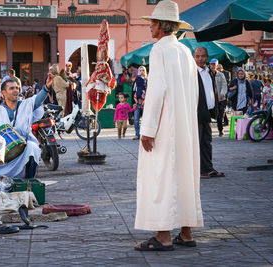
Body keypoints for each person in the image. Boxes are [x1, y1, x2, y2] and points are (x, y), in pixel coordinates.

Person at [135, 0, 203, 251]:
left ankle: (163, 235)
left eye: (152, 22)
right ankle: (186, 233)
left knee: (161, 176)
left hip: (165, 124)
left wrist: (148, 129)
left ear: (161, 26)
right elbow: (194, 92)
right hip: (184, 124)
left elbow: (155, 92)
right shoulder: (186, 51)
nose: (150, 26)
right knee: (184, 176)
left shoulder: (159, 50)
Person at [0, 75, 52, 178]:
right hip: (4, 154)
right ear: (3, 92)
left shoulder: (26, 104)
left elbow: (38, 100)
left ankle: (29, 182)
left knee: (32, 148)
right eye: (11, 88)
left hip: (24, 147)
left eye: (17, 88)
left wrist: (47, 88)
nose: (15, 90)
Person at [194, 47, 225, 179]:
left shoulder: (209, 72)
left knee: (207, 141)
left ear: (207, 57)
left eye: (202, 56)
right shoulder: (192, 73)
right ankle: (200, 170)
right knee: (198, 142)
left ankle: (208, 168)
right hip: (197, 112)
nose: (200, 59)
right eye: (197, 56)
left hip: (208, 111)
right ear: (194, 57)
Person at [209, 59, 227, 137]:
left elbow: (224, 85)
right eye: (211, 64)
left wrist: (222, 93)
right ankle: (208, 131)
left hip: (220, 99)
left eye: (214, 64)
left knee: (220, 116)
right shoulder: (207, 75)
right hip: (211, 99)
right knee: (209, 115)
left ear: (217, 65)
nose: (213, 66)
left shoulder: (221, 75)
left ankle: (220, 130)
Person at [132, 66, 147, 140]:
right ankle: (137, 134)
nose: (141, 71)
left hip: (145, 102)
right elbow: (134, 91)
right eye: (140, 70)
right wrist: (135, 101)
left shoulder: (147, 81)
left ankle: (144, 134)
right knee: (136, 119)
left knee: (145, 120)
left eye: (143, 70)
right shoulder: (137, 80)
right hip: (137, 102)